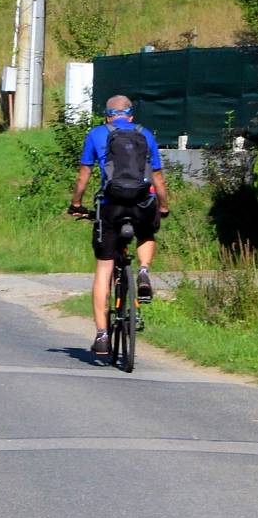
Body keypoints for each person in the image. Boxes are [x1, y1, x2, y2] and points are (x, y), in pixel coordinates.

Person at [68, 95, 169, 356]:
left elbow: (84, 174)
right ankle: (144, 271)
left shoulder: (97, 134)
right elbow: (157, 176)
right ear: (131, 115)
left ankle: (102, 335)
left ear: (107, 115)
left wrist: (76, 203)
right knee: (147, 232)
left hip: (111, 205)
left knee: (104, 268)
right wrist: (164, 205)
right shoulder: (145, 134)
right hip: (142, 202)